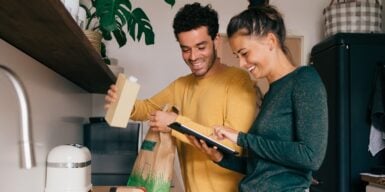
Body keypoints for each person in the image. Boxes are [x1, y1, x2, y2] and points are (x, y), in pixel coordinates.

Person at [105, 3, 260, 192]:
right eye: (185, 49)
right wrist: (122, 102)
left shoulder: (238, 81)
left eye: (201, 47)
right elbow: (146, 108)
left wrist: (175, 123)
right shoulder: (181, 85)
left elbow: (231, 144)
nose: (193, 56)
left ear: (216, 40)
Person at [188, 5, 328, 192]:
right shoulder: (272, 92)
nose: (242, 64)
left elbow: (311, 157)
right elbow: (262, 169)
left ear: (270, 41)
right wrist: (221, 158)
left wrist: (241, 139)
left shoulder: (304, 80)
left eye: (244, 53)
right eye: (237, 56)